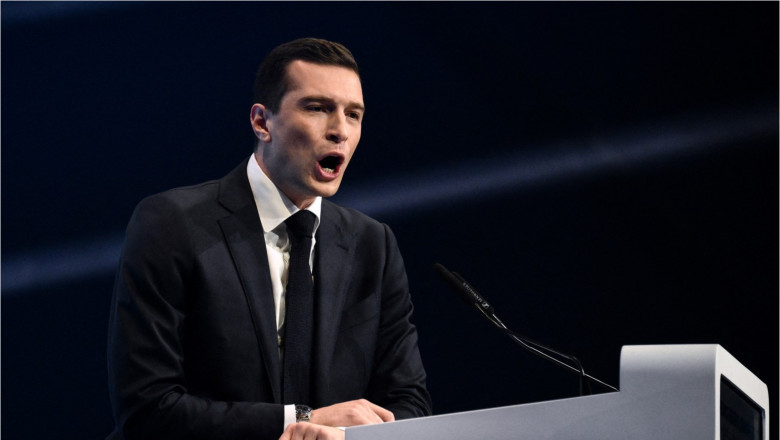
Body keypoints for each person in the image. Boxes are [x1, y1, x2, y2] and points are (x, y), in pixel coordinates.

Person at [106, 38, 432, 440]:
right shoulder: (173, 224)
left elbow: (409, 403)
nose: (340, 131)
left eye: (353, 114)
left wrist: (353, 435)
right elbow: (147, 408)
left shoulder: (372, 245)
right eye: (317, 108)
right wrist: (303, 420)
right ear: (262, 122)